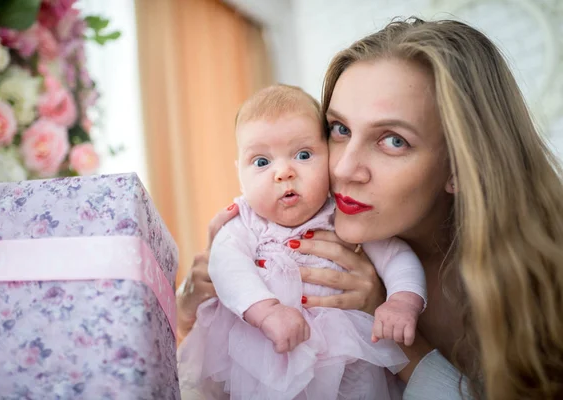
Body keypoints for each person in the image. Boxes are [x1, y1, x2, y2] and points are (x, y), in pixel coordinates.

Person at [177, 17, 563, 400]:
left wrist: (381, 314)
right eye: (340, 130)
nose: (344, 169)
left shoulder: (540, 288)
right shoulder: (272, 229)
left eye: (393, 141)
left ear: (460, 167)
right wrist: (191, 307)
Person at [177, 84, 428, 400]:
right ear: (239, 173)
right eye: (261, 162)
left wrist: (402, 302)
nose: (284, 172)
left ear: (328, 157)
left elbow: (395, 255)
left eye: (304, 154)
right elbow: (227, 266)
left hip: (343, 353)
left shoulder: (343, 215)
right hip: (264, 353)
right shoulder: (244, 223)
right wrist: (267, 312)